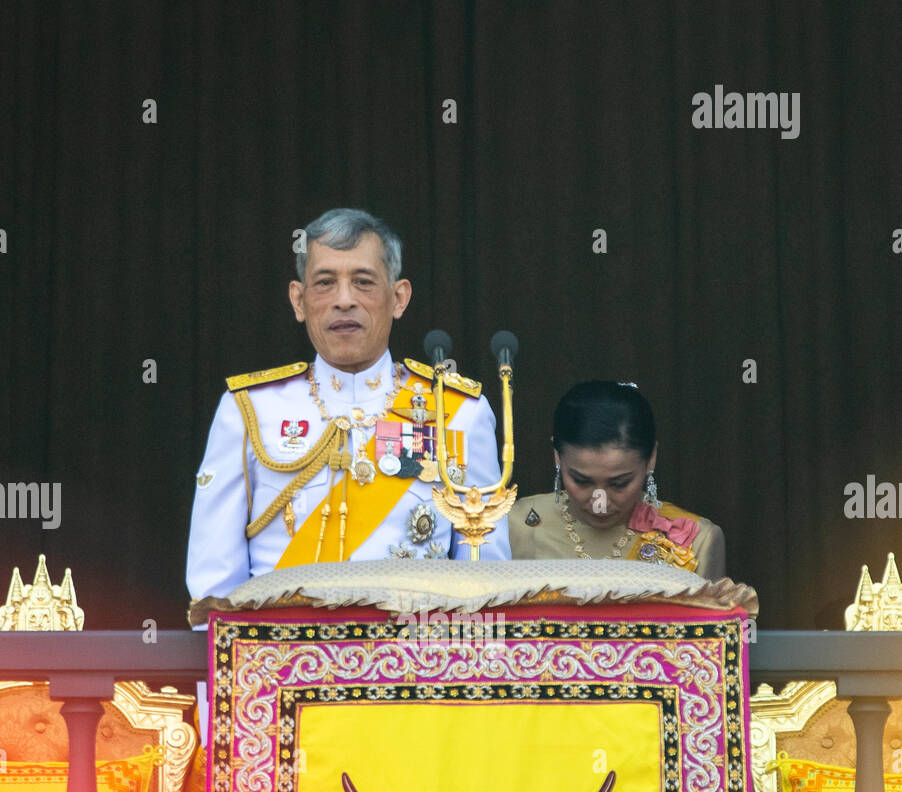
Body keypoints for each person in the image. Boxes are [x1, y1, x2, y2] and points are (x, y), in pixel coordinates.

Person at [187, 208, 509, 604]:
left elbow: (487, 579)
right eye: (324, 283)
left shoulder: (459, 411)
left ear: (399, 297)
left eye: (363, 282)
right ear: (298, 300)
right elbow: (214, 585)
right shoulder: (248, 411)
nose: (344, 300)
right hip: (283, 657)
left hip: (414, 659)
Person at [509, 380, 725, 578]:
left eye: (619, 484)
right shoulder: (515, 526)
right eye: (581, 481)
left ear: (651, 458)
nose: (600, 503)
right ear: (558, 456)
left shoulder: (695, 541)